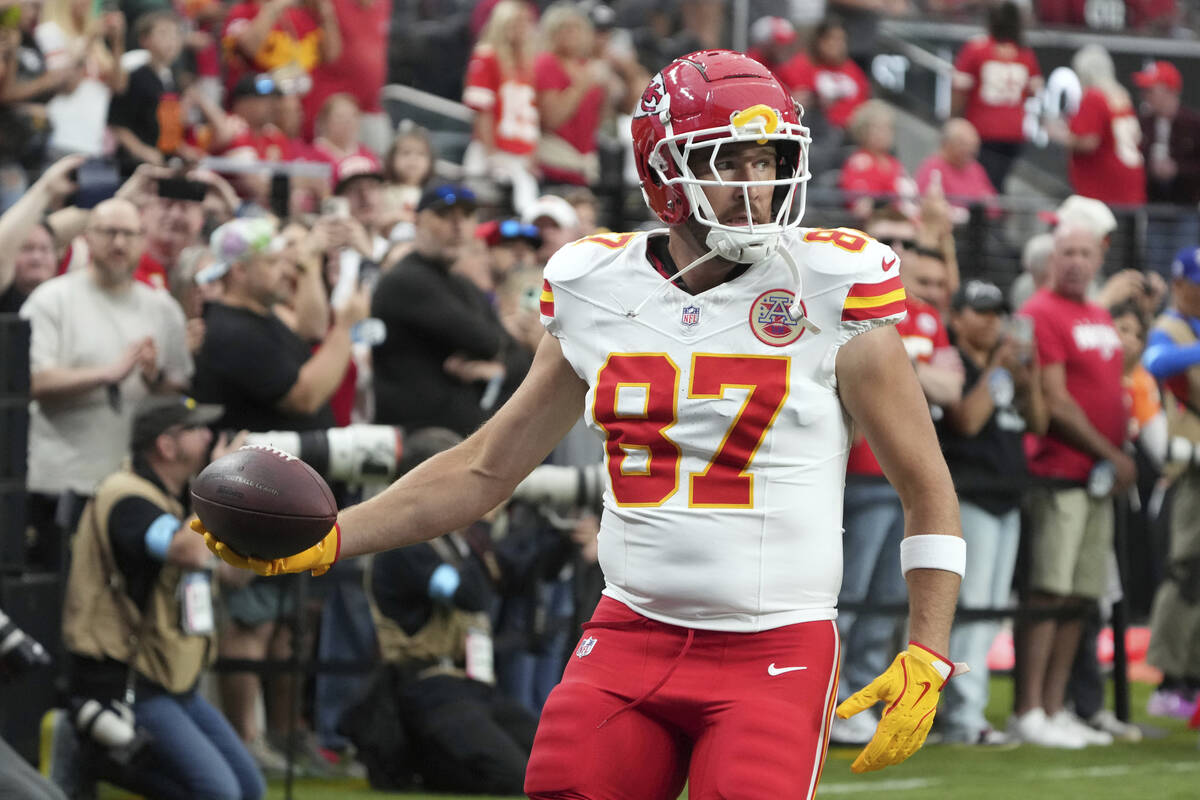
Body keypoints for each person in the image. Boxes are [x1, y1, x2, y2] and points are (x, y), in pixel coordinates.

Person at [198, 50, 966, 796]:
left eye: (767, 161)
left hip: (775, 643)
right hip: (630, 631)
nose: (756, 184)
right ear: (663, 170)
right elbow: (485, 467)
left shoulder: (832, 288)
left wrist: (928, 650)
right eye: (728, 161)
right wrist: (333, 537)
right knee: (564, 783)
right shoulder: (598, 286)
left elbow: (925, 486)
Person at [61, 393, 264, 800]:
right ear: (166, 445)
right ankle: (91, 752)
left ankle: (95, 757)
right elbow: (185, 551)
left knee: (249, 787)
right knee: (218, 792)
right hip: (129, 682)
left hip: (174, 681)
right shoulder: (127, 497)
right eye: (196, 429)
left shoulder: (175, 501)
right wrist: (221, 480)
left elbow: (230, 576)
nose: (210, 436)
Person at [833, 206, 963, 746]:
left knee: (887, 599)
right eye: (887, 239)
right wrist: (907, 377)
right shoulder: (850, 305)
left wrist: (896, 376)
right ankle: (831, 699)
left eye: (906, 241)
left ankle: (861, 697)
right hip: (858, 476)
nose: (899, 250)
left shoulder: (925, 315)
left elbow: (951, 389)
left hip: (902, 479)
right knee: (847, 594)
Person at [21, 197, 192, 569]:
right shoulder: (52, 299)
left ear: (142, 240)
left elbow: (178, 392)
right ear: (87, 238)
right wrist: (107, 374)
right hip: (64, 485)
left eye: (129, 234)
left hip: (135, 486)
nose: (119, 243)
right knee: (67, 602)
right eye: (109, 232)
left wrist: (154, 378)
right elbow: (31, 380)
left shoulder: (162, 309)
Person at [1013, 223, 1130, 748]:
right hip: (1060, 471)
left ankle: (1056, 707)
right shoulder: (1041, 312)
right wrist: (1111, 453)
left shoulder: (1100, 314)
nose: (1077, 262)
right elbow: (1055, 401)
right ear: (1051, 259)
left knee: (1080, 597)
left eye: (1085, 253)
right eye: (1067, 253)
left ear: (1097, 259)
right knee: (1048, 590)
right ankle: (1029, 708)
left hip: (1097, 478)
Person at [937, 280, 1048, 746]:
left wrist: (1030, 378)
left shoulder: (1005, 365)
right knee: (973, 611)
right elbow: (965, 420)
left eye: (997, 312)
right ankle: (964, 717)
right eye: (981, 312)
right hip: (970, 497)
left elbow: (1039, 423)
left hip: (1006, 498)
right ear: (957, 317)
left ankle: (968, 712)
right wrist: (998, 371)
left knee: (990, 611)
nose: (991, 321)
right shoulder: (952, 364)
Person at [372, 184, 531, 437]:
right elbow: (486, 341)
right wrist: (498, 349)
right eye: (445, 216)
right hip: (417, 442)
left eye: (466, 216)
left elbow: (522, 360)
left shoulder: (464, 286)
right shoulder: (406, 280)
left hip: (461, 440)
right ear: (418, 223)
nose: (457, 226)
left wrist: (500, 369)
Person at [1141, 245, 1200, 720]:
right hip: (1190, 468)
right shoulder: (1171, 326)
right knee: (1185, 569)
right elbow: (1154, 364)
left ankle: (1192, 676)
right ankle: (1169, 676)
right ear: (1180, 285)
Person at [951, 1, 1041, 191]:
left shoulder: (977, 48)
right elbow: (1034, 90)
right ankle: (995, 215)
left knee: (984, 183)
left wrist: (954, 118)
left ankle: (990, 217)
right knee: (998, 182)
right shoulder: (1025, 54)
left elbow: (960, 88)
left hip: (982, 131)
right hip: (1014, 132)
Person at [462, 0, 540, 214]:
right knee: (482, 209)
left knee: (522, 209)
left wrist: (532, 153)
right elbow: (482, 110)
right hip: (493, 150)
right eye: (516, 22)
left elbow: (532, 113)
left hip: (520, 152)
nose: (522, 28)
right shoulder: (487, 56)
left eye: (526, 22)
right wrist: (491, 154)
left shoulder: (527, 62)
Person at [1051, 44, 1145, 207]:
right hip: (1128, 181)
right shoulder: (1121, 96)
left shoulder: (1094, 97)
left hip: (1103, 185)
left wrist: (1059, 135)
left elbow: (1089, 142)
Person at [1134, 60, 1200, 276]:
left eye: (1151, 90)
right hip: (1154, 209)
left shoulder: (1192, 123)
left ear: (1170, 92)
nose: (1146, 95)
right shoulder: (1143, 122)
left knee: (1184, 269)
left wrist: (1177, 169)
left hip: (1185, 209)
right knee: (1155, 269)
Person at [533, 2, 609, 186]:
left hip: (585, 164)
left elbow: (600, 119)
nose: (571, 34)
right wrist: (581, 85)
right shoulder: (547, 63)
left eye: (576, 28)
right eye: (564, 28)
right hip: (555, 164)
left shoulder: (588, 66)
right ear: (551, 32)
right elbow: (552, 118)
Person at [914, 119, 997, 221]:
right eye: (963, 144)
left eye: (973, 146)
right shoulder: (932, 167)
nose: (970, 151)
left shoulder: (976, 168)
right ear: (946, 143)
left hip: (976, 228)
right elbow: (927, 207)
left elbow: (994, 206)